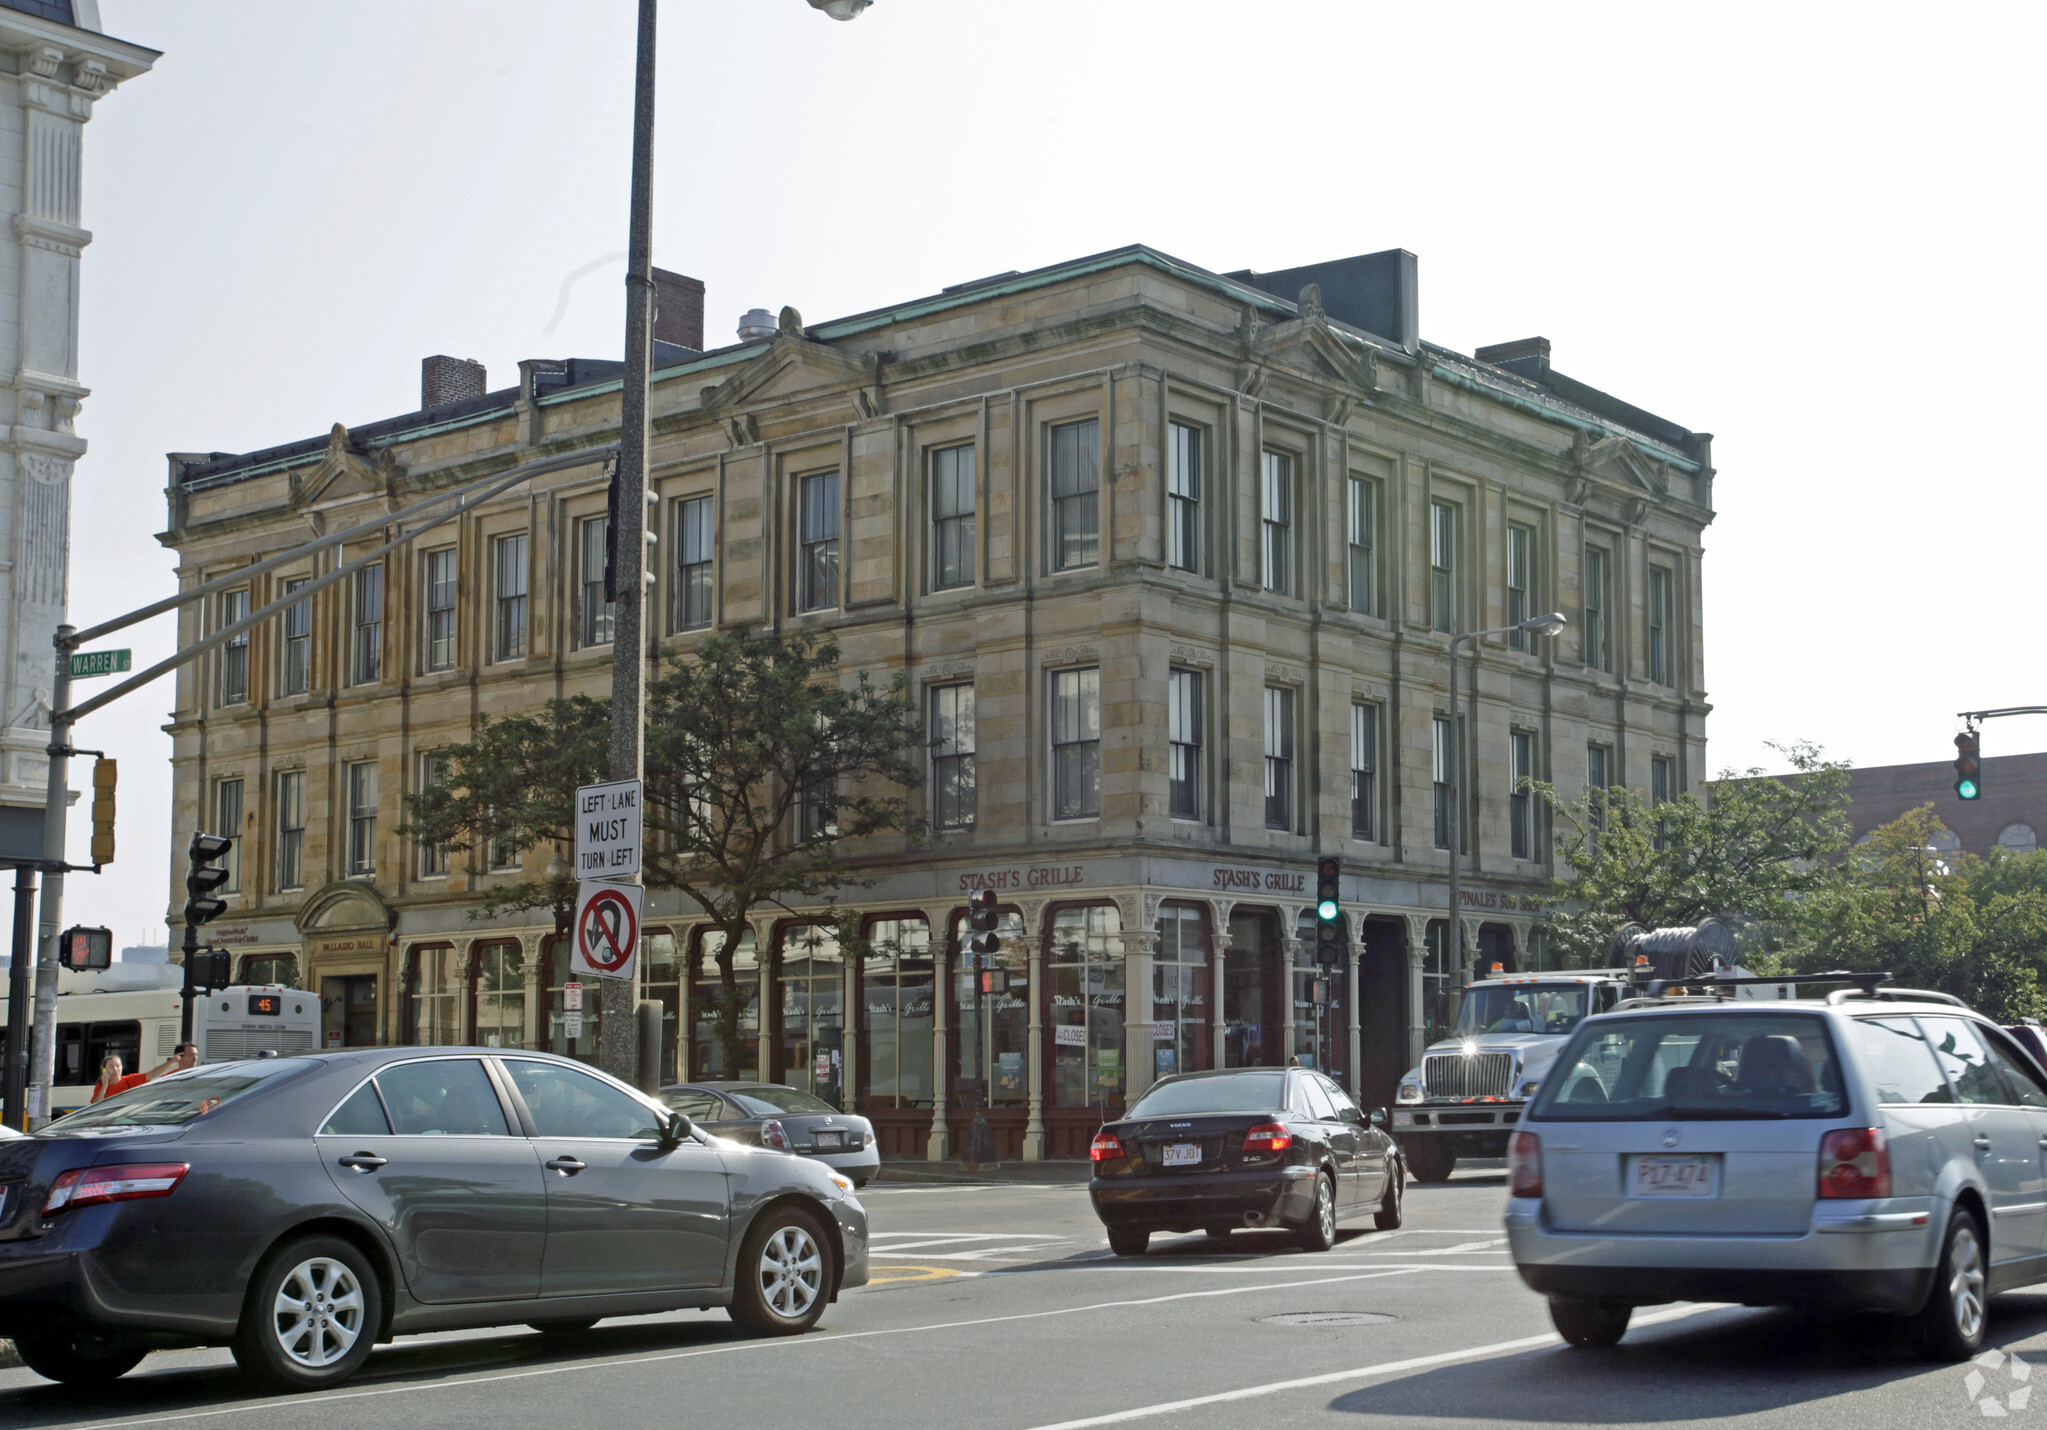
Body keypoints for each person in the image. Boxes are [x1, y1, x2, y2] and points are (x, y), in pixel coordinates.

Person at [90, 1043, 197, 1103]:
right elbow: (94, 1105)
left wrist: (171, 1061)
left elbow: (152, 1073)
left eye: (118, 1066)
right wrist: (104, 1086)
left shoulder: (129, 1080)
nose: (115, 1069)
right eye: (111, 1067)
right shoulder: (100, 1086)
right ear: (104, 1070)